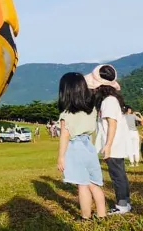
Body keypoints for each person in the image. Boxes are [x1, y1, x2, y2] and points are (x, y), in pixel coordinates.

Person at [57, 72, 106, 220]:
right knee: (94, 184)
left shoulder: (66, 113)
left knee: (82, 185)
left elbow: (65, 136)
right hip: (89, 146)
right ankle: (102, 215)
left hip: (75, 147)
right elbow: (92, 131)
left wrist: (61, 157)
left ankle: (86, 217)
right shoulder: (92, 110)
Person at [85, 64, 131, 215]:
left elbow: (112, 124)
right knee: (119, 174)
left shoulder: (108, 101)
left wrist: (108, 145)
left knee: (117, 176)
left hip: (114, 145)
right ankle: (124, 202)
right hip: (114, 144)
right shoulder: (111, 100)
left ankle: (122, 205)